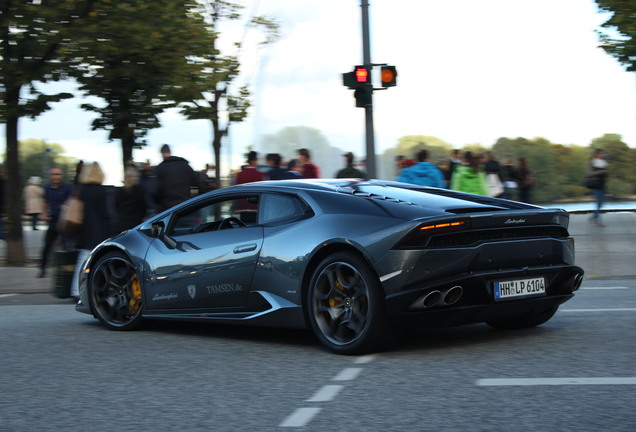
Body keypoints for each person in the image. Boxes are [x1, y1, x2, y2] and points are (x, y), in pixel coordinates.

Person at [69, 162, 113, 301]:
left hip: (85, 231)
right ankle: (103, 290)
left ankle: (75, 291)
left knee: (82, 262)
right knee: (102, 262)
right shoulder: (102, 191)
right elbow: (106, 214)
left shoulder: (81, 190)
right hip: (100, 231)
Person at [39, 167, 72, 278]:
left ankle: (68, 270)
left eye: (58, 174)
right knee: (46, 246)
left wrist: (67, 206)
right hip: (52, 222)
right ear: (51, 176)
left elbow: (73, 201)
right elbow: (44, 201)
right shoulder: (47, 188)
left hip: (64, 223)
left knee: (67, 247)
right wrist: (43, 213)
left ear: (61, 175)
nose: (56, 176)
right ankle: (42, 269)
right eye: (54, 174)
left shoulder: (67, 188)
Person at [152, 144, 203, 213]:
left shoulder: (160, 168)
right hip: (185, 208)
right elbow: (199, 184)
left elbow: (155, 191)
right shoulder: (185, 166)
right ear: (170, 152)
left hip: (167, 209)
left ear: (162, 154)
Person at [115, 165, 148, 232]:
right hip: (136, 222)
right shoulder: (139, 191)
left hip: (122, 223)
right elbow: (143, 208)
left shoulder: (119, 192)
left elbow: (116, 207)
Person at [586, 148, 609, 226]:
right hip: (596, 185)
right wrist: (601, 171)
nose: (601, 155)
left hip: (602, 185)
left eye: (602, 153)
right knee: (599, 203)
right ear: (596, 154)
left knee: (601, 203)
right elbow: (589, 174)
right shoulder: (592, 162)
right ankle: (598, 220)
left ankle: (594, 216)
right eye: (600, 153)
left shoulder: (603, 162)